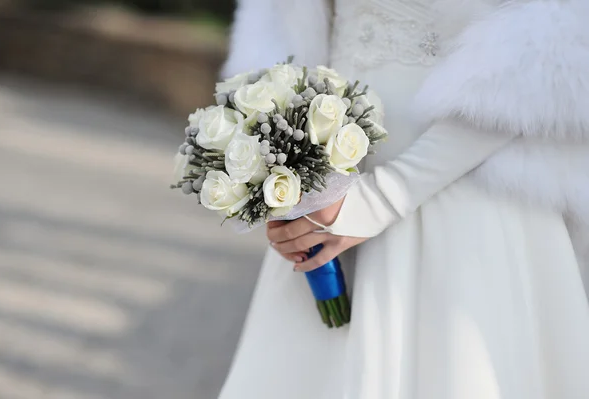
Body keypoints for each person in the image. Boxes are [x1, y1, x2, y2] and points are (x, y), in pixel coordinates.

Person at [218, 0, 589, 398]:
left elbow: (545, 53)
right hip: (330, 193)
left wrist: (382, 199)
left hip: (463, 188)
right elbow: (286, 30)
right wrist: (285, 166)